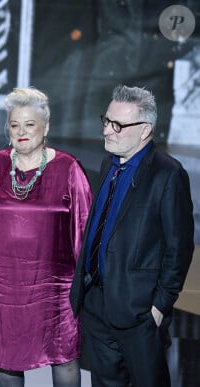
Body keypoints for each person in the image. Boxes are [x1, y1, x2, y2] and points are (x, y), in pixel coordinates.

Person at [70, 85, 195, 387]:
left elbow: (179, 249)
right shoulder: (108, 164)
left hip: (139, 313)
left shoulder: (169, 175)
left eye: (118, 125)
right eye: (106, 120)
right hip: (97, 306)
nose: (106, 131)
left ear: (145, 131)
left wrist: (158, 308)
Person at [0, 87, 92, 387]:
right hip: (3, 287)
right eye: (14, 125)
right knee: (7, 359)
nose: (21, 131)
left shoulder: (68, 168)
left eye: (29, 124)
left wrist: (85, 287)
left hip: (56, 289)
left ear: (46, 127)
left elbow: (85, 229)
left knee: (64, 358)